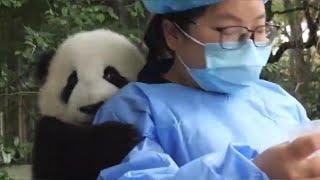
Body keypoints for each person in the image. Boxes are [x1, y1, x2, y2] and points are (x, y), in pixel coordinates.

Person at [93, 0, 320, 179]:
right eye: (230, 31)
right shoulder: (135, 109)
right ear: (172, 34)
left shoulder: (276, 98)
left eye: (260, 30)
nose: (250, 45)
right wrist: (253, 173)